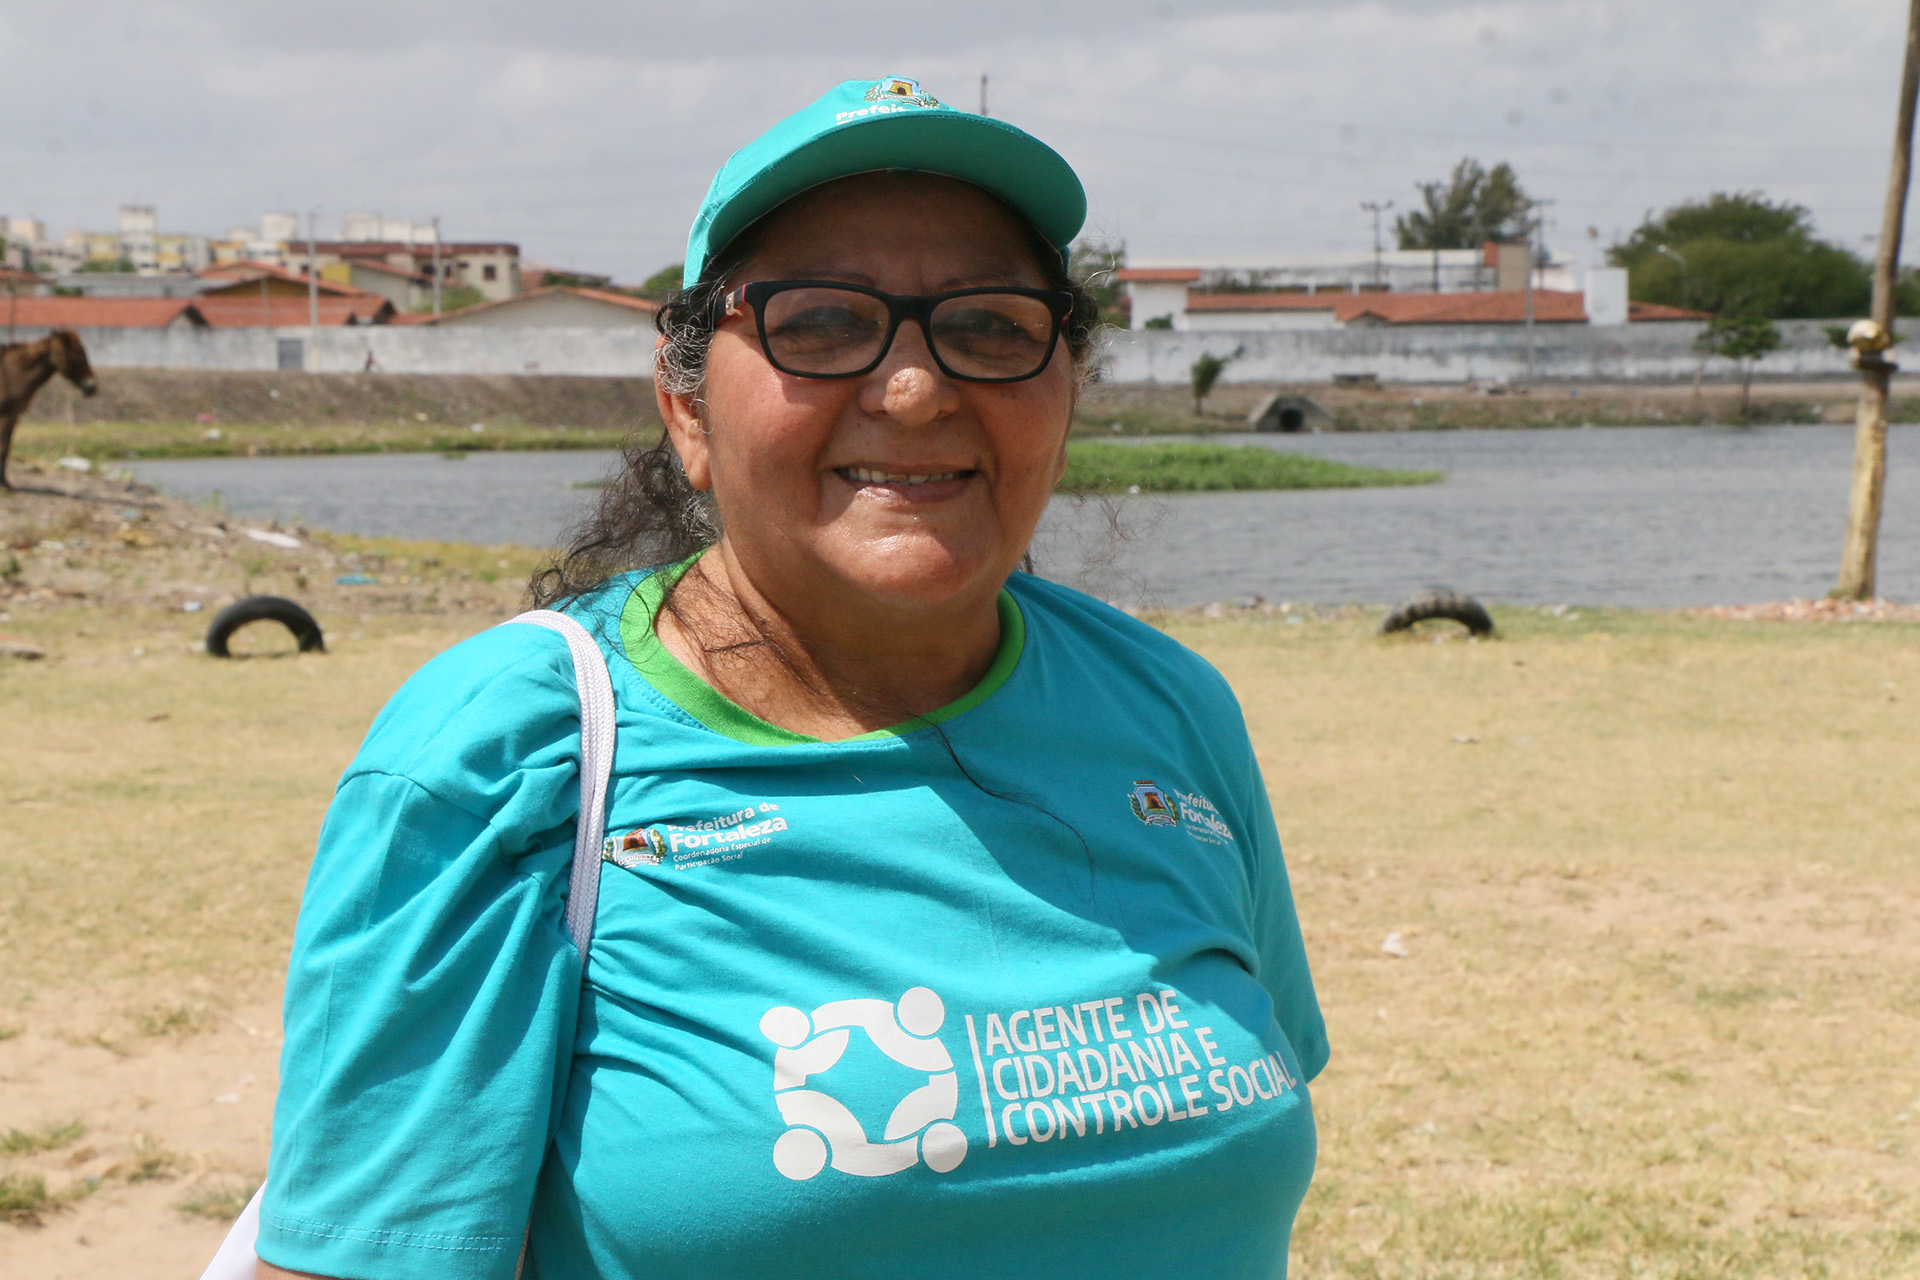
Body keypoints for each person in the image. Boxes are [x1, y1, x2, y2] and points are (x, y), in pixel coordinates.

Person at [256, 75, 1327, 1280]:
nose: (917, 388)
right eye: (819, 323)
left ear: (1064, 388)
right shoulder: (508, 753)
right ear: (688, 409)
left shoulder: (1168, 707)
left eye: (989, 325)